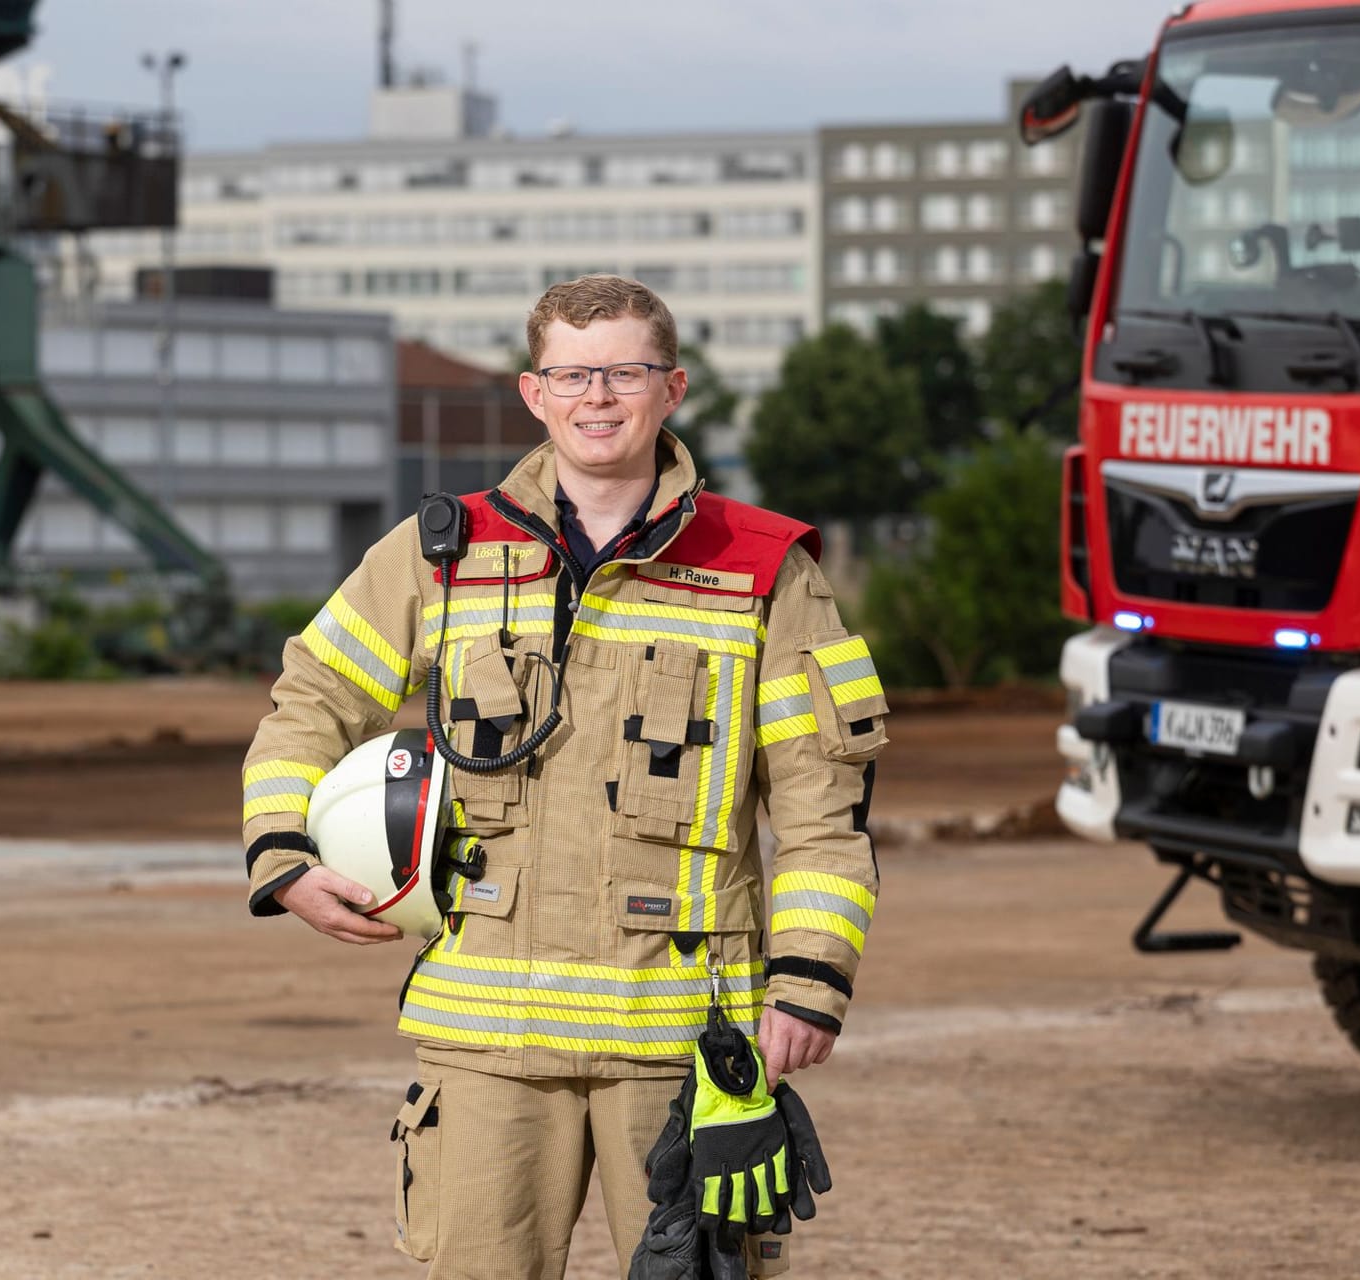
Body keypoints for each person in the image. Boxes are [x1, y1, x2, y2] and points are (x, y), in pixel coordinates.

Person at [240, 274, 883, 1280]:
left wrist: (809, 980)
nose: (598, 398)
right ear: (533, 393)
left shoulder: (766, 569)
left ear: (671, 388)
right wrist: (283, 853)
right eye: (572, 375)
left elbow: (822, 803)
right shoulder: (441, 550)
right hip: (484, 1036)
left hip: (684, 1042)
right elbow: (313, 695)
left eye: (624, 372)